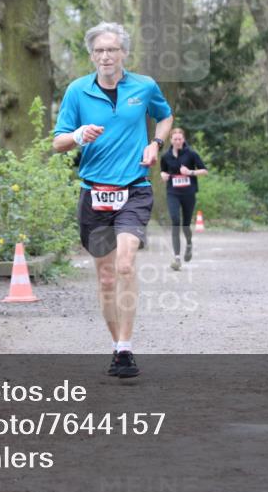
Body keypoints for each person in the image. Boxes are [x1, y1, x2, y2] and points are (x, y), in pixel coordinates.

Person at [53, 22, 173, 379]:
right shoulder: (78, 91)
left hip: (134, 189)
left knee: (124, 264)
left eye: (112, 49)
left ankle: (126, 347)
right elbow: (58, 142)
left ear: (124, 53)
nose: (106, 56)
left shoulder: (144, 87)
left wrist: (156, 144)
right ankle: (117, 346)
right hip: (94, 192)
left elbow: (164, 116)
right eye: (100, 51)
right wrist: (77, 135)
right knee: (106, 277)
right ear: (92, 56)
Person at [159, 128, 207, 270]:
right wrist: (163, 175)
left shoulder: (191, 154)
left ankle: (189, 243)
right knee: (175, 220)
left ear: (183, 140)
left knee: (185, 225)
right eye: (175, 139)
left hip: (188, 193)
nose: (178, 141)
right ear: (171, 140)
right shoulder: (166, 156)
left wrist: (190, 172)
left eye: (180, 139)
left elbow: (204, 170)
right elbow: (163, 170)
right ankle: (177, 258)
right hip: (172, 192)